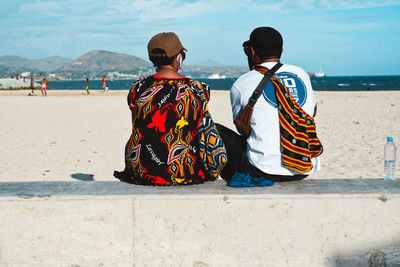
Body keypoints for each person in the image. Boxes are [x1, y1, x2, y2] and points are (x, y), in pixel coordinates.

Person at [217, 26, 321, 182]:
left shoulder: (242, 83)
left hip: (262, 169)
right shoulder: (301, 74)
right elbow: (312, 111)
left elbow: (242, 128)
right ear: (282, 50)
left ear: (251, 51)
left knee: (213, 130)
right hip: (304, 168)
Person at [114, 32, 218, 185]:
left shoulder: (139, 87)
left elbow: (139, 127)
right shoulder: (197, 89)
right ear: (179, 57)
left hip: (141, 171)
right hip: (185, 171)